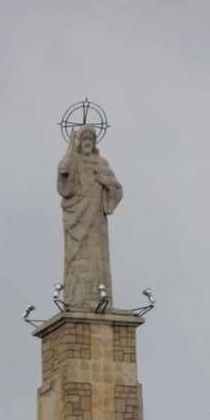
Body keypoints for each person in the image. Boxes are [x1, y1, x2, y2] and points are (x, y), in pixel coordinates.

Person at [57, 126, 123, 310]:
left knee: (96, 260)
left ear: (94, 143)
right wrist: (70, 147)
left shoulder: (101, 163)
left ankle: (99, 297)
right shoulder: (73, 162)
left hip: (96, 223)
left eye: (90, 140)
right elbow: (64, 177)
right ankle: (76, 299)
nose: (87, 143)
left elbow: (117, 188)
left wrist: (104, 182)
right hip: (76, 219)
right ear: (80, 142)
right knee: (77, 258)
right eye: (84, 140)